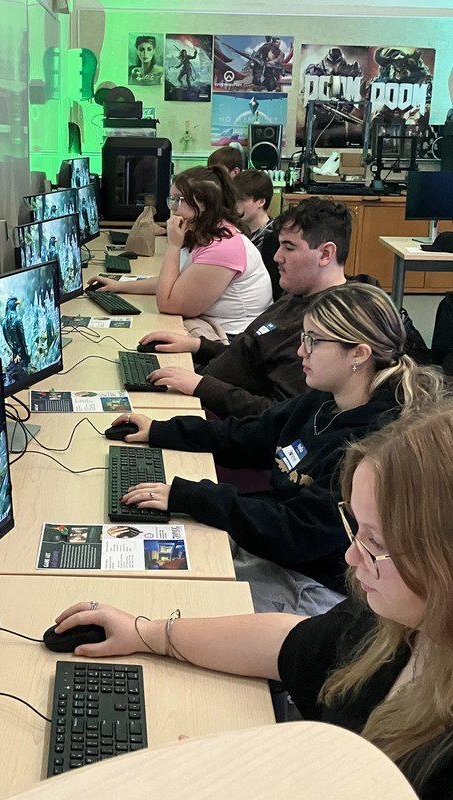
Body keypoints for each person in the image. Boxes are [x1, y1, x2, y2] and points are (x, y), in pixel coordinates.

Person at [54, 402, 453, 800]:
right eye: (357, 530)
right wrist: (146, 632)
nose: (351, 556)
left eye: (375, 543)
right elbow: (289, 642)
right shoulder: (395, 624)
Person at [109, 283, 443, 614]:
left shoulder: (376, 443)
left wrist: (192, 497)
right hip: (275, 549)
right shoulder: (325, 398)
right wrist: (160, 430)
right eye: (303, 338)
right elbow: (248, 437)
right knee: (148, 557)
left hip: (317, 585)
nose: (301, 352)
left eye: (313, 341)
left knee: (170, 596)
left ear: (359, 353)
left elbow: (295, 532)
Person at [139, 198, 374, 418]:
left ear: (325, 254)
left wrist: (202, 386)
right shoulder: (299, 292)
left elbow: (281, 414)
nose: (277, 257)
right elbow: (256, 358)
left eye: (289, 248)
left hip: (223, 420)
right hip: (209, 392)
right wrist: (198, 346)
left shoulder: (324, 325)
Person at [87, 166, 273, 340]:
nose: (172, 207)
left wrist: (174, 246)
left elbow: (169, 304)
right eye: (172, 199)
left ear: (204, 205)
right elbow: (172, 282)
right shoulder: (204, 232)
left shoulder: (224, 247)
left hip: (232, 341)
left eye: (178, 200)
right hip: (212, 330)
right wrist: (119, 286)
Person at [233, 169, 281, 300]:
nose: (234, 205)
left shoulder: (275, 238)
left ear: (261, 202)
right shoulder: (233, 232)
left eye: (241, 200)